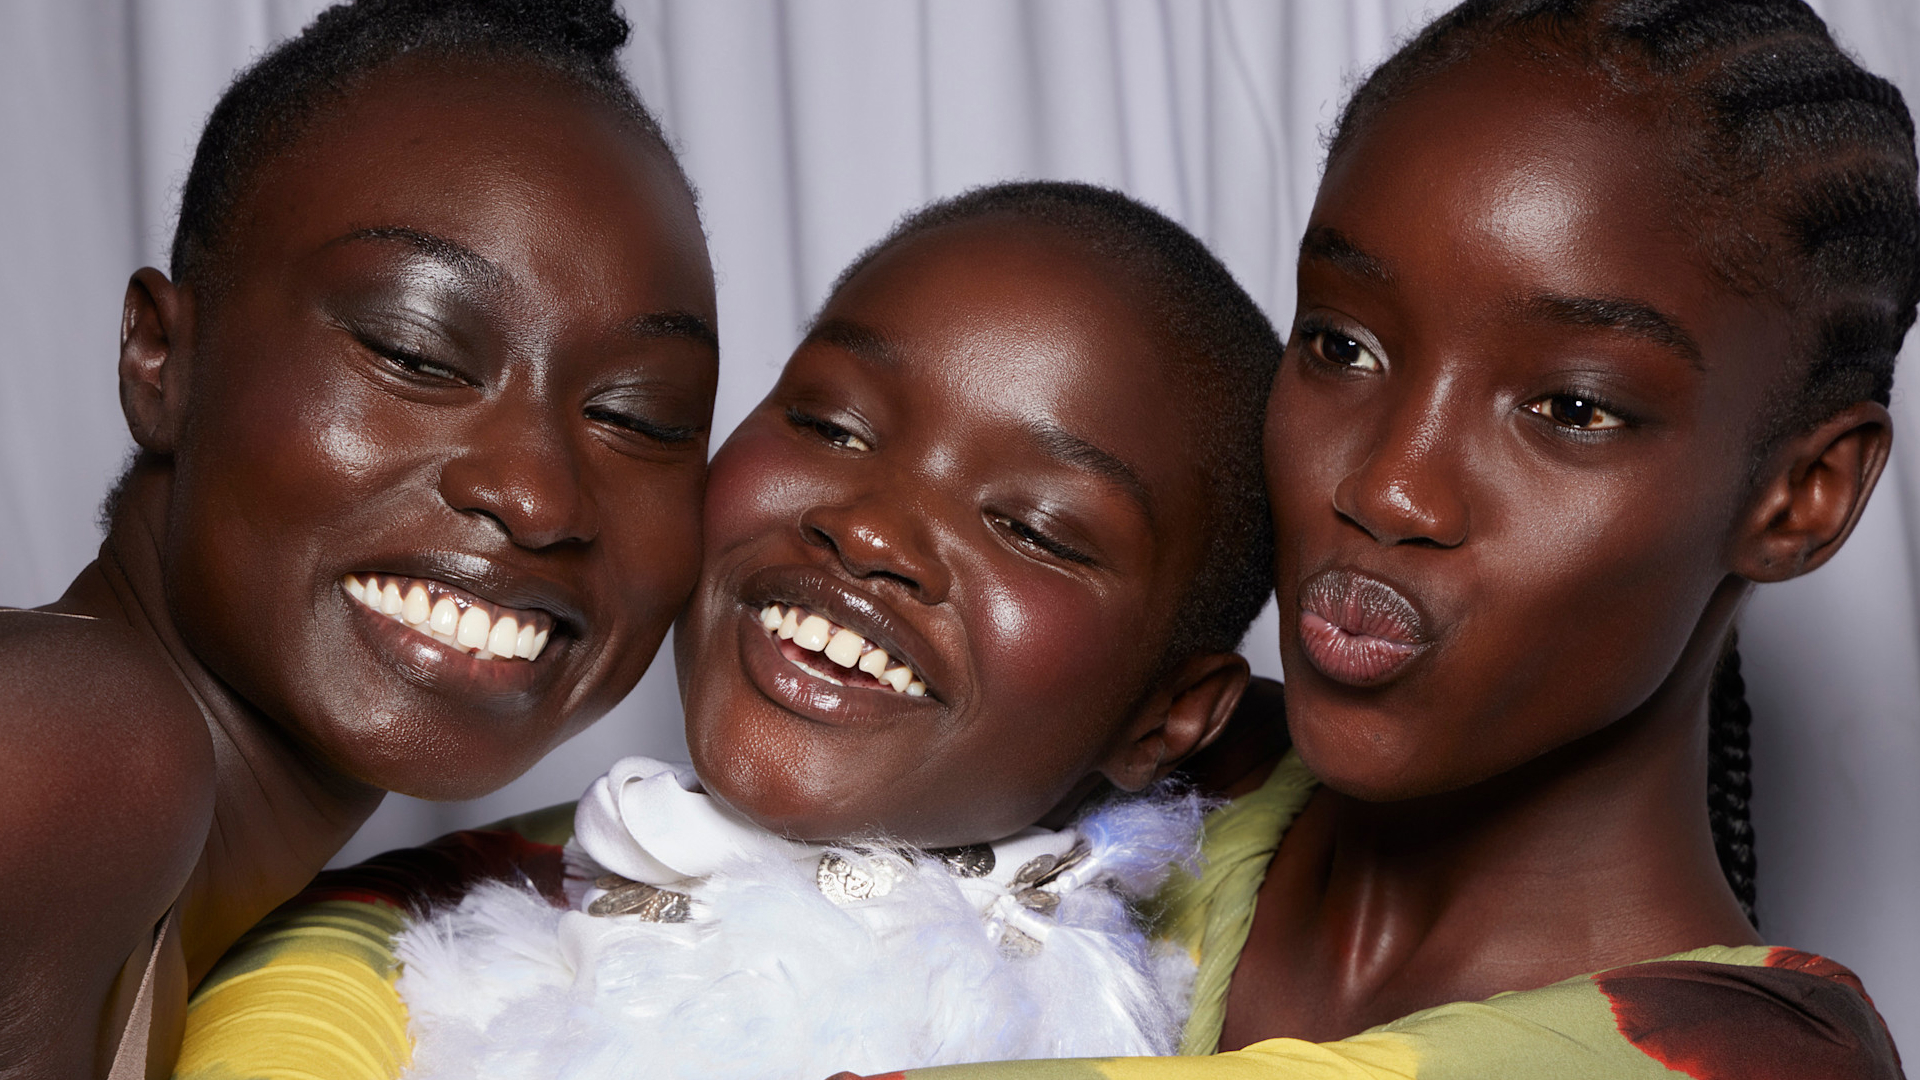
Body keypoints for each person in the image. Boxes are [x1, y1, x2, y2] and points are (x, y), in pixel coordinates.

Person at [851, 1, 1917, 1077]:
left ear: (1802, 497)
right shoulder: (1133, 753)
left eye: (1571, 409)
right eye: (1341, 345)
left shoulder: (1757, 1065)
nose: (1388, 487)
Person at [169, 180, 1288, 1080]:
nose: (870, 529)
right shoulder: (443, 932)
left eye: (1031, 527)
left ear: (1170, 715)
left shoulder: (1092, 1016)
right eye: (829, 423)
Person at [0, 2, 719, 1076]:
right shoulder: (71, 743)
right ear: (161, 362)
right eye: (414, 352)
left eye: (640, 417)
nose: (537, 497)